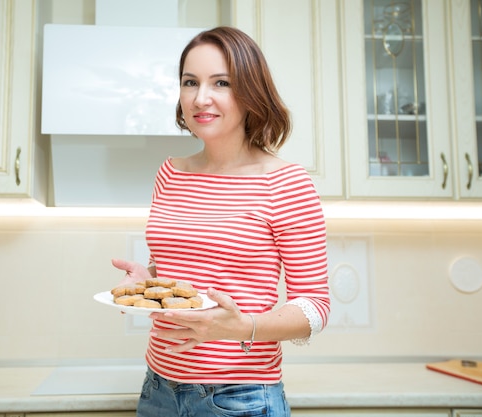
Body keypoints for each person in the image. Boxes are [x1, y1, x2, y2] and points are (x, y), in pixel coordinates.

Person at [111, 26, 330, 417]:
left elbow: (314, 307)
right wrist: (148, 283)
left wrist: (242, 326)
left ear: (250, 92)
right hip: (158, 389)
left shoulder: (285, 182)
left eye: (221, 83)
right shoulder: (170, 173)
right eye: (190, 82)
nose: (200, 98)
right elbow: (184, 270)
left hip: (240, 397)